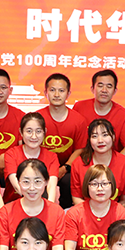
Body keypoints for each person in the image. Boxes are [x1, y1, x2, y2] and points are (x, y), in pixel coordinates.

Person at [0, 159, 66, 250]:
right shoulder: (5, 212)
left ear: (46, 182)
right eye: (26, 182)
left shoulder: (57, 212)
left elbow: (57, 249)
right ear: (18, 182)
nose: (32, 188)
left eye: (37, 181)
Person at [36, 73, 88, 208]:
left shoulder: (79, 120)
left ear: (68, 94)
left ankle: (66, 213)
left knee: (69, 181)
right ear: (45, 93)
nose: (57, 94)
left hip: (67, 167)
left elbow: (80, 149)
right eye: (52, 90)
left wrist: (65, 168)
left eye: (61, 90)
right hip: (41, 167)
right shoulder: (37, 118)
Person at [71, 119, 125, 208]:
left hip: (115, 211)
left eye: (105, 135)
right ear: (89, 140)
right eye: (94, 136)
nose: (100, 140)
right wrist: (93, 213)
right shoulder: (78, 164)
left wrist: (107, 214)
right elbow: (77, 198)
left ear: (113, 137)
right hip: (86, 211)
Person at [72, 70, 125, 157]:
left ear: (115, 91)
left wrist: (114, 163)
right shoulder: (79, 107)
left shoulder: (123, 115)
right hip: (83, 160)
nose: (104, 90)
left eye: (109, 86)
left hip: (111, 162)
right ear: (92, 89)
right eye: (100, 86)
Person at [2, 112, 59, 203]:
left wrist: (50, 205)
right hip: (14, 202)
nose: (34, 136)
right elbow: (16, 185)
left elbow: (51, 185)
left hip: (42, 202)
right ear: (21, 132)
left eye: (38, 131)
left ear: (45, 132)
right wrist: (32, 202)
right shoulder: (11, 154)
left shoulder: (52, 156)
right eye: (29, 131)